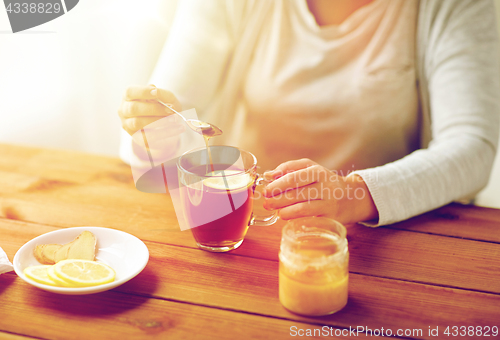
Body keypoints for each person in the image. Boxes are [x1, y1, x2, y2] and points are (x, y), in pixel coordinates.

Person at [118, 0, 500, 226]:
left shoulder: (455, 7)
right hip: (245, 228)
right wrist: (153, 134)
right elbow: (158, 146)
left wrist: (351, 194)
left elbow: (472, 148)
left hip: (379, 237)